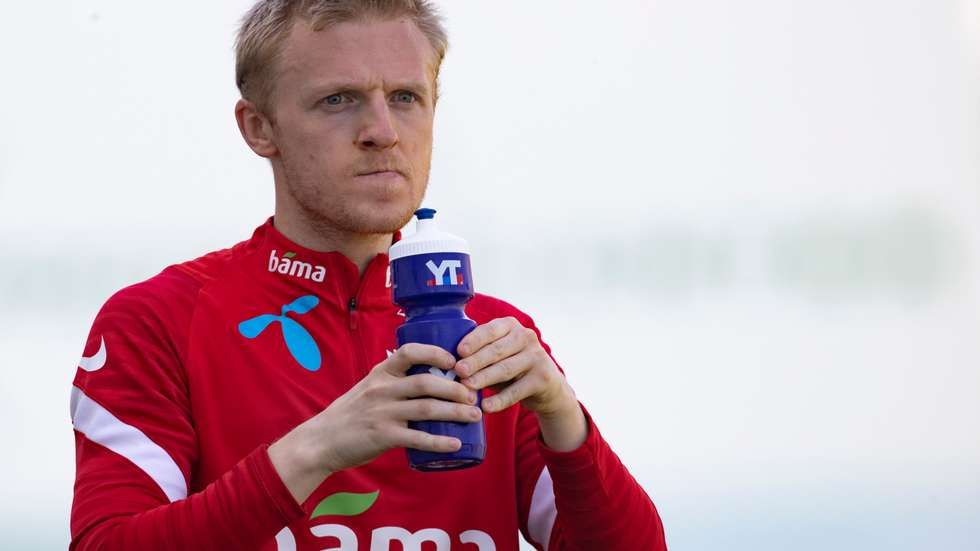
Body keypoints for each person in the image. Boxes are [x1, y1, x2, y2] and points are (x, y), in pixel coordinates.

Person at [68, 1, 667, 549]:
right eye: (339, 99)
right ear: (259, 128)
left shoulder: (494, 334)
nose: (383, 131)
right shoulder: (160, 321)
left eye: (405, 96)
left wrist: (563, 416)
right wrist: (316, 449)